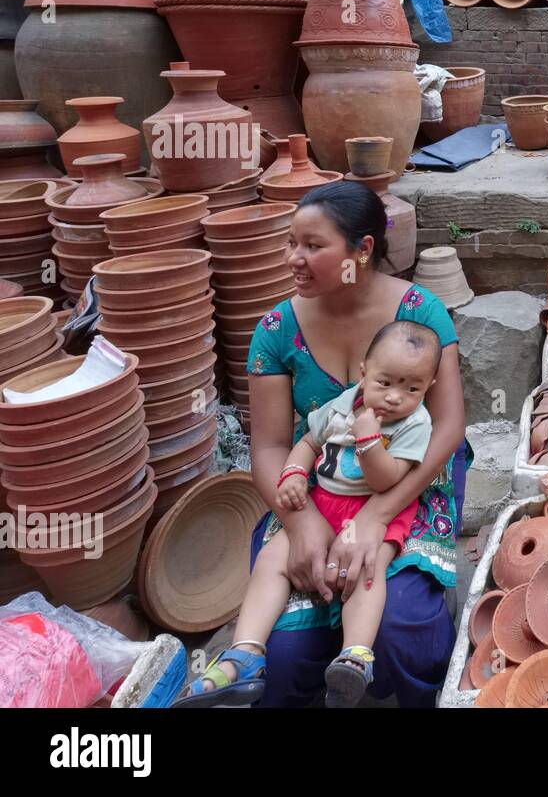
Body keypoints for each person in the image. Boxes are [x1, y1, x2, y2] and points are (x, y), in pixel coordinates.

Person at [195, 180, 469, 707]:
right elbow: (271, 447)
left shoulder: (420, 313)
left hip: (409, 477)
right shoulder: (275, 329)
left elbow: (449, 427)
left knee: (399, 624)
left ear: (362, 251)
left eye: (312, 246)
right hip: (321, 482)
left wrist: (374, 517)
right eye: (290, 242)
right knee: (287, 649)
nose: (293, 259)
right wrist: (302, 525)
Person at [176, 320, 444, 707]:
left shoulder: (415, 424)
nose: (394, 397)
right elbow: (307, 441)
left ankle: (355, 655)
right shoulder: (343, 405)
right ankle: (246, 653)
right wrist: (294, 472)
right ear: (365, 372)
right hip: (325, 501)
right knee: (272, 559)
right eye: (385, 382)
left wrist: (369, 440)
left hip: (373, 507)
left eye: (412, 388)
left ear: (429, 386)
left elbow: (388, 481)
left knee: (365, 570)